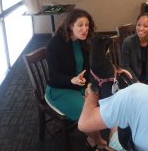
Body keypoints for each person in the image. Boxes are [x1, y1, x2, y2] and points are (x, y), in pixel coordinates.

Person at [45, 8, 106, 148]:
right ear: (70, 25)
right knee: (88, 113)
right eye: (80, 25)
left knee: (102, 100)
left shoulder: (82, 40)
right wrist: (71, 80)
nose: (84, 29)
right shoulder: (55, 44)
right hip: (59, 90)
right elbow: (53, 77)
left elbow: (87, 68)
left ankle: (92, 139)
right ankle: (99, 142)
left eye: (87, 25)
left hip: (79, 86)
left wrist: (87, 86)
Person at [121, 12, 148, 84]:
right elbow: (125, 66)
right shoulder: (127, 42)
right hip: (132, 79)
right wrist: (137, 83)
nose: (140, 29)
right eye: (138, 25)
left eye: (145, 26)